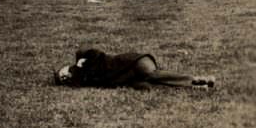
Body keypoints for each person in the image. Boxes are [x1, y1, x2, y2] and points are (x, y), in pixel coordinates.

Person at [54, 48, 214, 89]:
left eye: (62, 74)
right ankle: (198, 87)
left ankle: (196, 79)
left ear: (65, 67)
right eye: (62, 80)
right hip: (132, 74)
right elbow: (76, 84)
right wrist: (76, 73)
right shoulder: (82, 78)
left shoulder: (82, 56)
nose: (64, 77)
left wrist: (81, 62)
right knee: (154, 84)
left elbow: (95, 53)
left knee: (153, 75)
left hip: (135, 62)